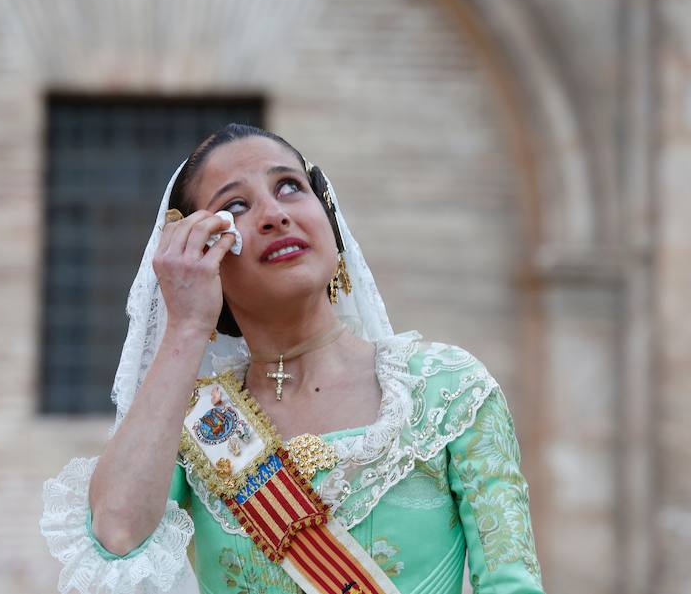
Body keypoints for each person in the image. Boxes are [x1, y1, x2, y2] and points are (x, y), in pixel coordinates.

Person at [40, 124, 545, 594]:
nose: (275, 214)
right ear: (206, 250)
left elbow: (512, 584)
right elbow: (116, 534)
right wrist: (187, 326)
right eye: (236, 206)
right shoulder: (197, 423)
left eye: (289, 187)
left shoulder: (445, 390)